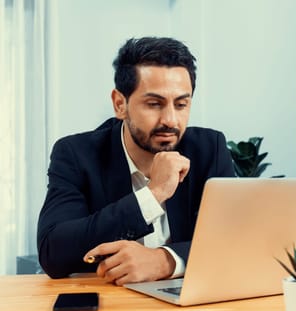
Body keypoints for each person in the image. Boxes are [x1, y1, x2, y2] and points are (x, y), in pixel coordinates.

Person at [37, 37, 235, 285]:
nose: (171, 120)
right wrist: (153, 195)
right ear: (120, 104)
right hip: (109, 309)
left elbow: (236, 239)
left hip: (189, 309)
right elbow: (53, 252)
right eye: (154, 104)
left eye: (181, 104)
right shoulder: (76, 154)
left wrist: (166, 260)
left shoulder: (209, 149)